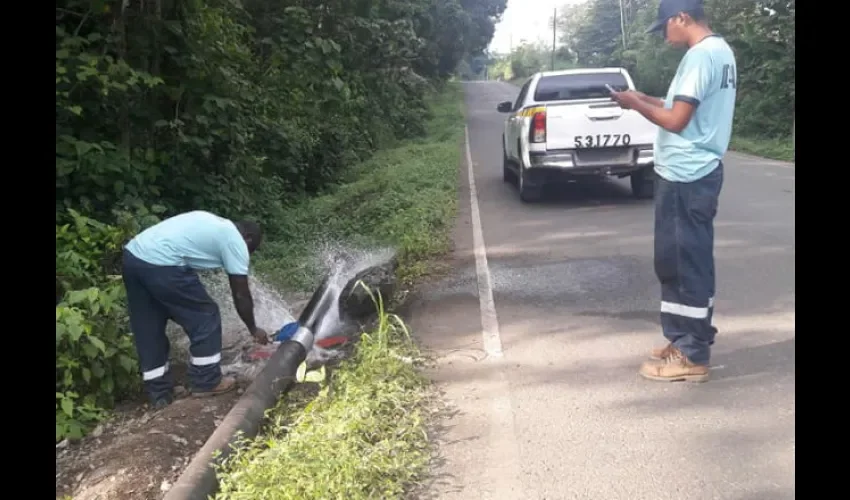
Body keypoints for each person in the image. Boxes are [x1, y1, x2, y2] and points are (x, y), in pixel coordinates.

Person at [609, 0, 737, 382]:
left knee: (686, 263)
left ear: (683, 18)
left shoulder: (701, 56)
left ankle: (693, 354)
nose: (664, 35)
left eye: (666, 26)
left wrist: (634, 103)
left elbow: (677, 120)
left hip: (688, 174)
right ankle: (682, 338)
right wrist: (640, 101)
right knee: (676, 261)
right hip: (690, 172)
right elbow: (678, 107)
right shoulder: (720, 50)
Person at [121, 210, 270, 408]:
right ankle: (206, 381)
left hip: (133, 257)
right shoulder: (235, 240)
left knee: (149, 325)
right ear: (247, 238)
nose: (248, 255)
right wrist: (253, 328)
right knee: (205, 315)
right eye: (251, 250)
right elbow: (241, 294)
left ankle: (159, 393)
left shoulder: (214, 223)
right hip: (162, 263)